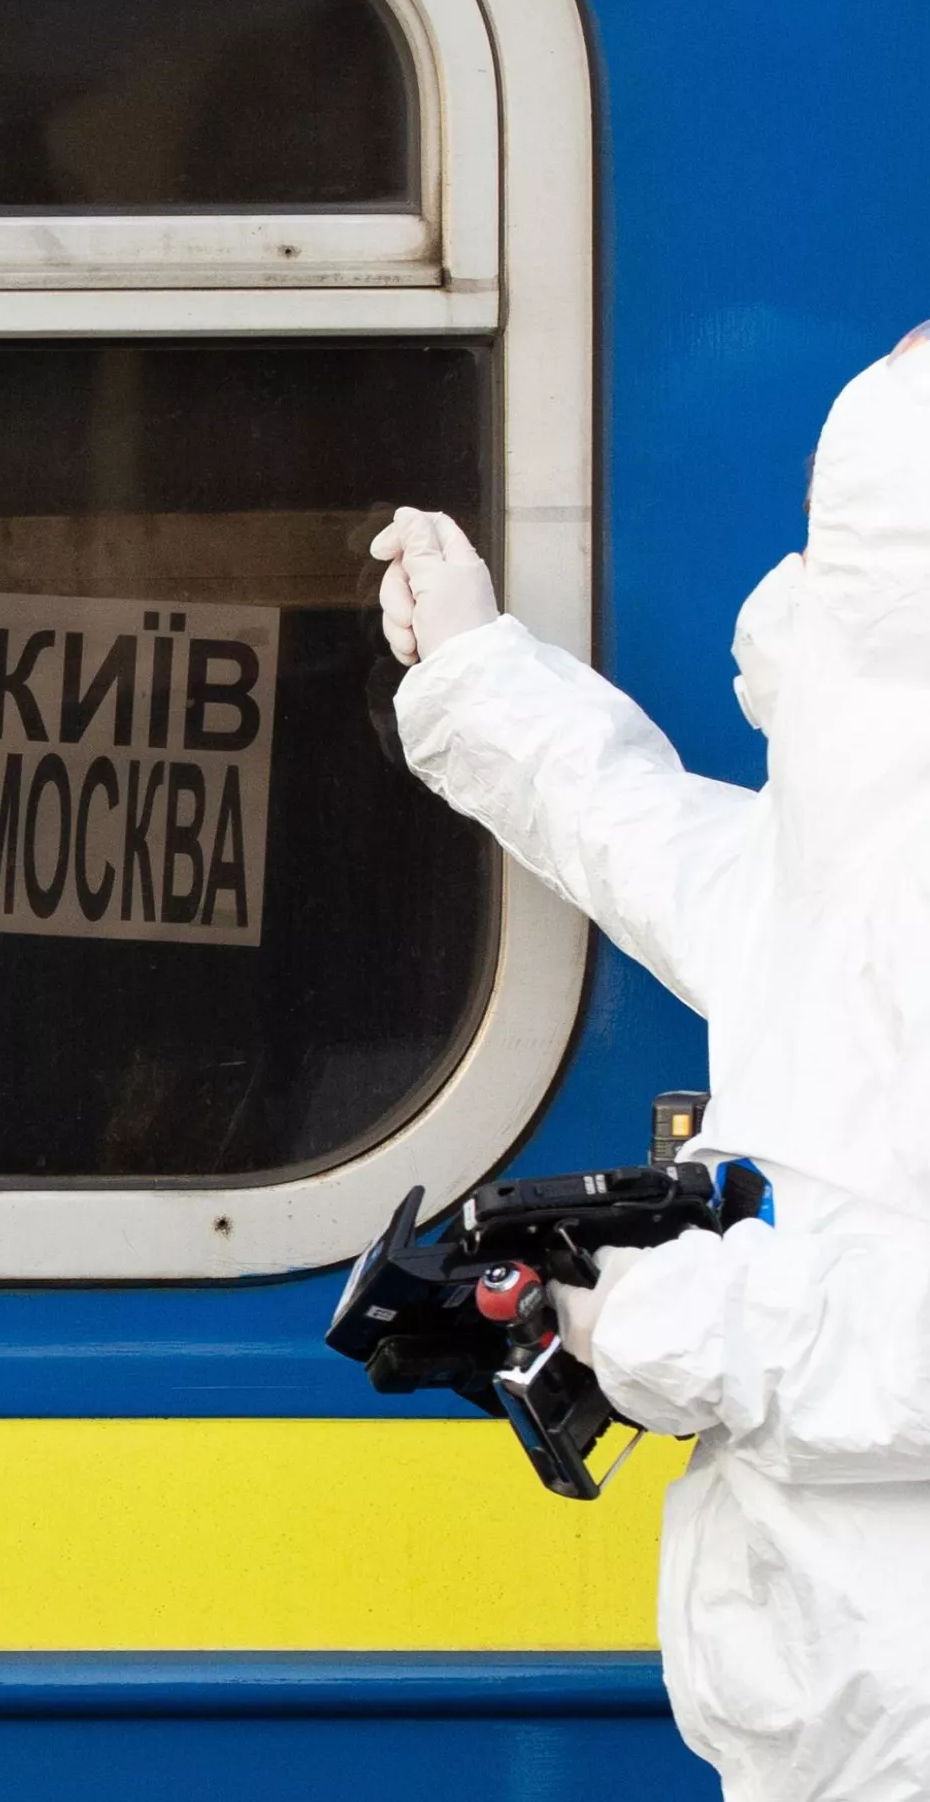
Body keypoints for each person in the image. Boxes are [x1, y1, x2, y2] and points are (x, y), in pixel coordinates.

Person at [370, 325, 930, 1801]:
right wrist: (475, 672)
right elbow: (649, 840)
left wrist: (677, 1318)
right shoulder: (849, 866)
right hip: (836, 1716)